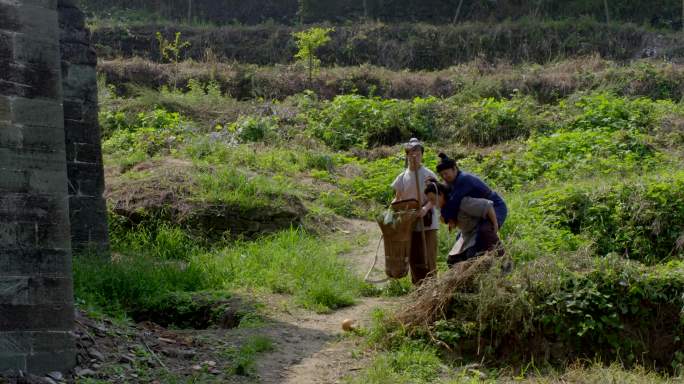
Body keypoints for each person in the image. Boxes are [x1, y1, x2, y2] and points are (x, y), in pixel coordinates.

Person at [391, 138, 439, 285]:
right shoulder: (402, 177)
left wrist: (425, 208)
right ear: (407, 155)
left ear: (422, 155)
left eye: (417, 152)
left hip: (427, 222)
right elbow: (398, 199)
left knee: (428, 257)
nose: (414, 155)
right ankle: (418, 289)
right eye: (411, 152)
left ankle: (431, 289)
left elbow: (436, 198)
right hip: (409, 223)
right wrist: (393, 206)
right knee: (414, 256)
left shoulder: (428, 175)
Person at [424, 182, 504, 267]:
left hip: (477, 233)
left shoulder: (462, 202)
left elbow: (487, 206)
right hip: (466, 235)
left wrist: (495, 224)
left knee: (471, 257)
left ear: (441, 194)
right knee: (452, 261)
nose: (432, 203)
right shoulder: (445, 208)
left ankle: (498, 263)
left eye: (432, 199)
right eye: (430, 200)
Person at [434, 153, 508, 232]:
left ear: (454, 169)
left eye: (446, 173)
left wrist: (445, 216)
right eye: (442, 175)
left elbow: (454, 202)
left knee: (486, 231)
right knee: (467, 235)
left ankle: (496, 244)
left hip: (496, 206)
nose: (444, 177)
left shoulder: (463, 179)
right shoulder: (452, 182)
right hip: (480, 210)